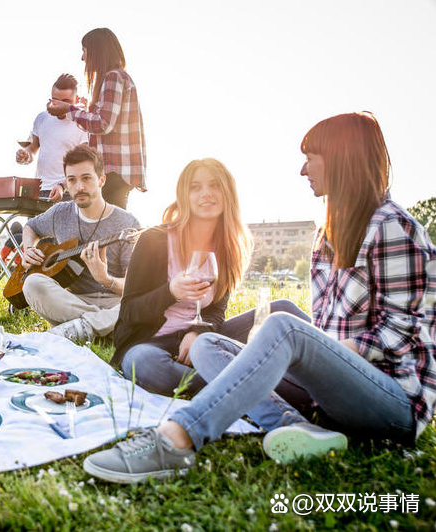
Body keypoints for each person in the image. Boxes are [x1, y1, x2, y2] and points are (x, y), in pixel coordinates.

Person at [83, 112, 436, 484]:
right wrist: (295, 357)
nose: (303, 170)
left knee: (282, 325)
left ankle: (176, 438)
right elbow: (132, 311)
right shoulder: (330, 235)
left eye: (310, 157)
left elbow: (402, 333)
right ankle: (296, 427)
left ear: (340, 157)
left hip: (393, 403)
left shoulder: (392, 227)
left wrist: (319, 351)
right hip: (328, 398)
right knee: (208, 348)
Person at [112, 159, 252, 396]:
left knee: (283, 312)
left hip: (202, 344)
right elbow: (128, 312)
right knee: (144, 365)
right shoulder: (154, 240)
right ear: (184, 195)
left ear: (227, 192)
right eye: (195, 187)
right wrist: (170, 292)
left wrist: (196, 333)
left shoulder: (226, 247)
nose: (206, 194)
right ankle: (252, 381)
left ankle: (230, 375)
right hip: (150, 345)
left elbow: (216, 312)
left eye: (214, 185)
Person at [21, 144, 140, 343]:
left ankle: (82, 328)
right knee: (32, 284)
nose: (79, 187)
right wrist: (29, 248)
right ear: (66, 183)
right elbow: (30, 227)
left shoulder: (128, 224)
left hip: (115, 301)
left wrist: (106, 279)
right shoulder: (60, 213)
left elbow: (135, 287)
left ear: (101, 180)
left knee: (139, 302)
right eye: (72, 180)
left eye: (86, 178)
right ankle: (104, 326)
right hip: (74, 301)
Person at [46, 28, 146, 210]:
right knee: (110, 227)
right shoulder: (117, 78)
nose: (82, 58)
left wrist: (69, 109)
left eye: (84, 51)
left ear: (97, 52)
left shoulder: (113, 78)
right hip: (117, 171)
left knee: (111, 230)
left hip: (114, 169)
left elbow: (103, 124)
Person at [16, 74, 88, 201]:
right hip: (40, 192)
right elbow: (32, 150)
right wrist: (25, 155)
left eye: (65, 102)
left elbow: (83, 166)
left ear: (76, 100)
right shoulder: (41, 118)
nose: (59, 106)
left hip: (68, 194)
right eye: (55, 100)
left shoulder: (82, 124)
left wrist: (62, 186)